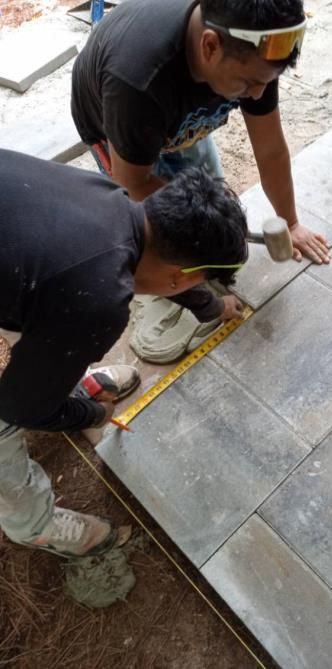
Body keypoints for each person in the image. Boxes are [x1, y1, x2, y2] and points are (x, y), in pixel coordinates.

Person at [0, 149, 248, 558]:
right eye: (197, 281)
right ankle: (33, 525)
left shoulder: (109, 196)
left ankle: (54, 373)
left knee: (34, 289)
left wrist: (212, 307)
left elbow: (51, 280)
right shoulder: (99, 299)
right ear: (178, 278)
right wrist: (93, 414)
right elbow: (18, 407)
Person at [71, 0, 331, 332]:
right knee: (164, 245)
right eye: (250, 83)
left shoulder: (256, 50)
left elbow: (270, 149)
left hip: (176, 118)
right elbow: (134, 189)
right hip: (118, 128)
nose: (258, 95)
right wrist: (206, 303)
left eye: (267, 80)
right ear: (209, 45)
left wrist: (291, 223)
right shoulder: (137, 82)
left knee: (213, 229)